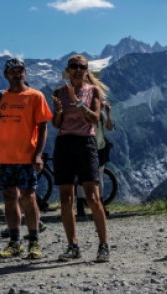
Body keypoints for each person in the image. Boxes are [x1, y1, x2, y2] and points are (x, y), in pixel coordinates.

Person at [0, 57, 51, 261]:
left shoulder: (36, 96)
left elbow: (44, 126)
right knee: (9, 198)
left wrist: (38, 154)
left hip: (26, 156)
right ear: (6, 75)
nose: (17, 74)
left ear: (25, 73)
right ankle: (14, 242)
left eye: (20, 70)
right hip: (2, 156)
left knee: (28, 197)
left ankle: (34, 242)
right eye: (13, 71)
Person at [51, 55, 110, 263]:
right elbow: (56, 124)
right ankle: (72, 246)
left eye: (82, 67)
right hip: (64, 144)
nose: (77, 69)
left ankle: (103, 246)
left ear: (87, 71)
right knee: (66, 198)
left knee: (93, 197)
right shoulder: (58, 92)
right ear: (68, 70)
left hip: (86, 143)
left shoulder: (93, 91)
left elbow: (94, 119)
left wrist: (78, 104)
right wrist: (58, 111)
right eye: (74, 66)